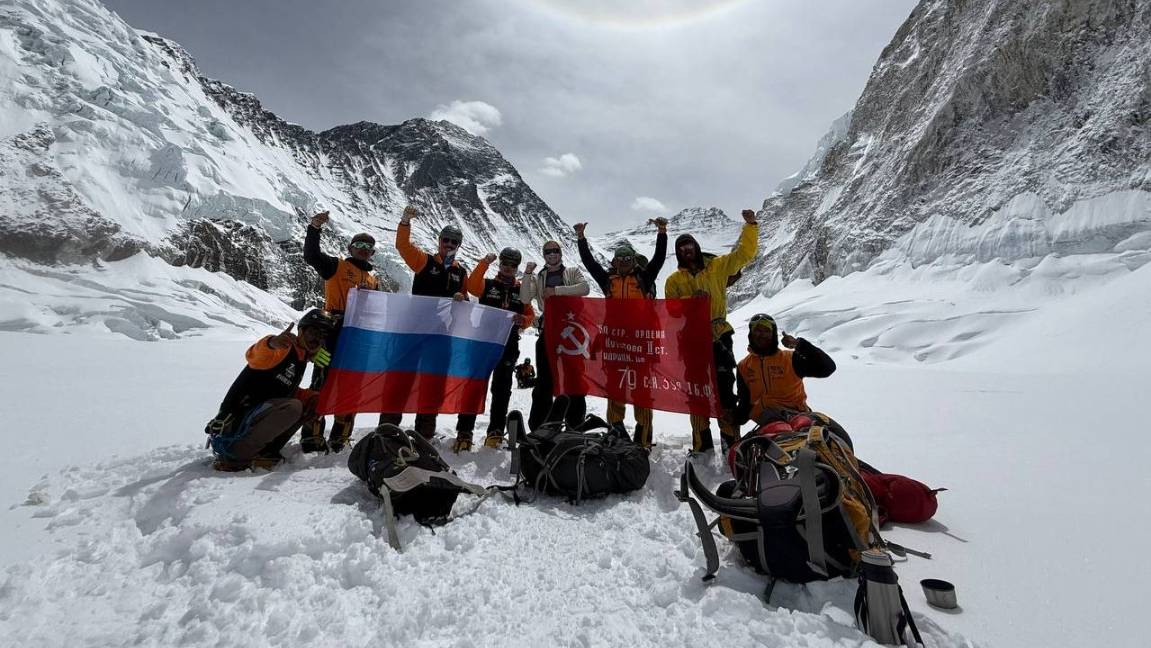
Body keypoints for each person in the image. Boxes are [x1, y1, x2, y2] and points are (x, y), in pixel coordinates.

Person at [665, 208, 759, 453]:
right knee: (696, 389)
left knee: (724, 388)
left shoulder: (717, 266)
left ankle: (730, 443)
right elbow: (671, 310)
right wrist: (691, 301)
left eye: (689, 246)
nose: (686, 250)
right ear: (678, 253)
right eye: (681, 248)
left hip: (719, 334)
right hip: (691, 338)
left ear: (696, 247)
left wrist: (750, 226)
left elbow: (744, 255)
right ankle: (701, 444)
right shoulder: (674, 281)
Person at [205, 309, 338, 471]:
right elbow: (254, 356)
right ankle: (236, 456)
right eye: (313, 333)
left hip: (252, 419)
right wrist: (272, 343)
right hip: (234, 429)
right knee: (293, 407)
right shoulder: (283, 348)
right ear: (301, 331)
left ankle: (264, 452)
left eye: (322, 336)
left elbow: (283, 389)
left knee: (310, 403)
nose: (316, 339)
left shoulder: (300, 358)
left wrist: (313, 398)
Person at [380, 205, 470, 440]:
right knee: (400, 379)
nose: (449, 244)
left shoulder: (461, 273)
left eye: (454, 242)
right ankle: (387, 431)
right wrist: (405, 222)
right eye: (446, 240)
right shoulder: (424, 261)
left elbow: (465, 303)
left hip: (440, 336)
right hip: (413, 331)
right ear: (439, 241)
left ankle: (425, 435)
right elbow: (403, 247)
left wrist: (462, 299)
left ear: (459, 245)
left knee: (433, 383)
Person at [576, 218, 668, 448]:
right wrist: (581, 238)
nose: (625, 262)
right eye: (620, 259)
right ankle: (616, 434)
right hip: (615, 343)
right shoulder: (608, 280)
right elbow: (590, 263)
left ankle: (643, 440)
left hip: (640, 343)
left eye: (628, 259)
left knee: (641, 391)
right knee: (615, 389)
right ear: (615, 262)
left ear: (634, 260)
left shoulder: (644, 278)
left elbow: (658, 259)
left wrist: (662, 232)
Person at [302, 211, 380, 453]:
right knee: (321, 383)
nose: (364, 249)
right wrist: (314, 228)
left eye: (368, 247)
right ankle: (312, 437)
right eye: (359, 245)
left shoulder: (373, 280)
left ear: (373, 252)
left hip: (357, 338)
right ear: (351, 248)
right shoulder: (336, 266)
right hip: (331, 334)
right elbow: (311, 256)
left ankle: (340, 437)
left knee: (351, 386)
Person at [455, 247, 535, 452]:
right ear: (500, 264)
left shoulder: (522, 291)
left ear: (517, 268)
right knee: (474, 385)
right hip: (482, 343)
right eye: (505, 263)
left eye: (513, 265)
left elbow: (530, 315)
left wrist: (523, 320)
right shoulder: (488, 285)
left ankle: (496, 431)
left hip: (508, 345)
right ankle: (464, 431)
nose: (508, 268)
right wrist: (484, 263)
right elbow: (472, 286)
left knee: (502, 389)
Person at [521, 240, 591, 430]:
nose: (552, 254)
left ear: (560, 253)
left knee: (574, 380)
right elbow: (525, 298)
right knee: (544, 381)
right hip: (549, 331)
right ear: (543, 255)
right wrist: (527, 274)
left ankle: (575, 425)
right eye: (548, 252)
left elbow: (584, 288)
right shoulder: (539, 276)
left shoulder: (572, 272)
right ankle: (540, 426)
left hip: (570, 329)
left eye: (555, 251)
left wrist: (556, 291)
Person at [733, 314, 836, 429]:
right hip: (767, 422)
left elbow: (827, 368)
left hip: (798, 417)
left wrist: (799, 344)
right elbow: (745, 404)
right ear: (751, 334)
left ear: (773, 334)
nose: (762, 335)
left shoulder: (790, 359)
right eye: (757, 330)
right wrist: (733, 418)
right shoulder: (744, 366)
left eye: (767, 331)